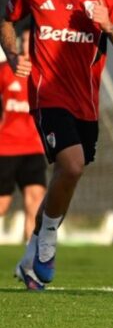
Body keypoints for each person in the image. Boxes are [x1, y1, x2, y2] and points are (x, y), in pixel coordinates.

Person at [3, 0, 113, 291]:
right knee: (73, 165)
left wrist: (109, 25)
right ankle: (48, 240)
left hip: (86, 104)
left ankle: (32, 253)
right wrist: (13, 54)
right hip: (47, 96)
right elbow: (7, 19)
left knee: (70, 174)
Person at [0, 25, 46, 243]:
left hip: (34, 148)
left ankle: (31, 258)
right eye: (26, 40)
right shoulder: (6, 70)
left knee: (35, 201)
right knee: (2, 205)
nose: (29, 45)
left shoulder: (45, 73)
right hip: (6, 147)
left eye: (33, 40)